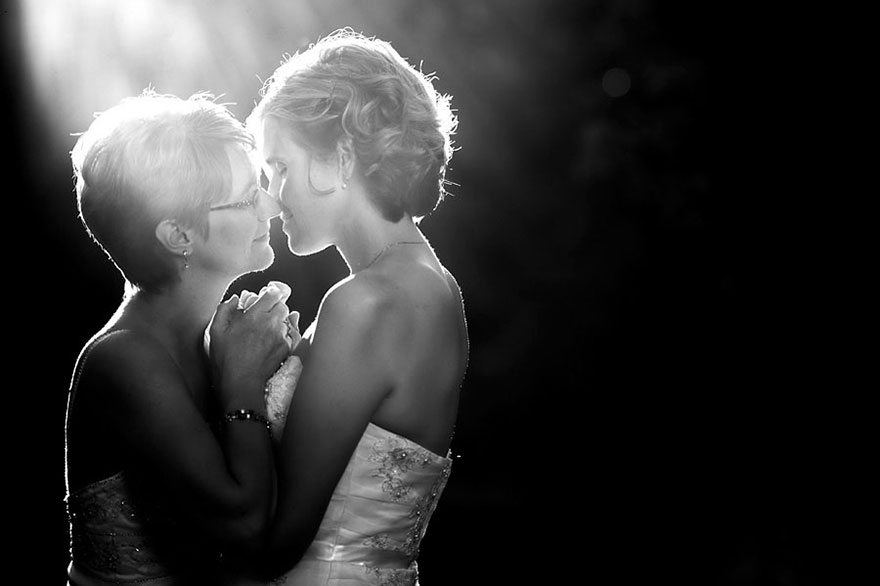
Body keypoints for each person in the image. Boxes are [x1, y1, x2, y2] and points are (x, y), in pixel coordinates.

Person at [217, 29, 469, 585]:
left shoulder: (365, 301)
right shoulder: (436, 285)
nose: (271, 194)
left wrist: (238, 385)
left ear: (340, 156)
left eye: (279, 167)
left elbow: (273, 546)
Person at [64, 90, 296, 585]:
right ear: (179, 236)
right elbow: (245, 529)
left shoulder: (211, 336)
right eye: (248, 196)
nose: (272, 204)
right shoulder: (125, 359)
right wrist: (243, 383)